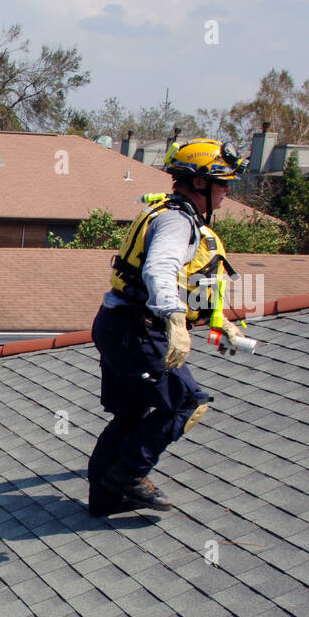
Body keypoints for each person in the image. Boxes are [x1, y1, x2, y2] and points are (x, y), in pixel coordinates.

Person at [86, 138, 248, 516]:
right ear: (199, 183)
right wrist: (175, 323)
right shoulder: (177, 221)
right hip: (136, 328)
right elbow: (158, 269)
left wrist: (218, 323)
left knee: (132, 413)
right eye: (222, 182)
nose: (226, 192)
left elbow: (189, 285)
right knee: (188, 403)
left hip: (116, 323)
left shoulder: (168, 213)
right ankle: (129, 475)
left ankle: (106, 497)